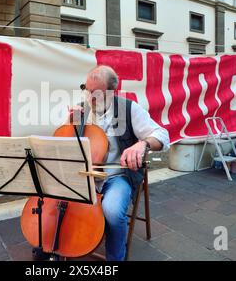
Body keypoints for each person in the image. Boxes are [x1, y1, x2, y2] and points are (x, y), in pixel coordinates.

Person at [69, 65, 170, 260]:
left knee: (112, 212)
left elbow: (162, 135)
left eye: (95, 93)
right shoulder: (83, 109)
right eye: (86, 89)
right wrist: (71, 126)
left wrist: (142, 144)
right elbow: (72, 145)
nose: (89, 97)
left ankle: (115, 259)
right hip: (85, 176)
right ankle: (55, 244)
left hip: (117, 176)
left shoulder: (129, 109)